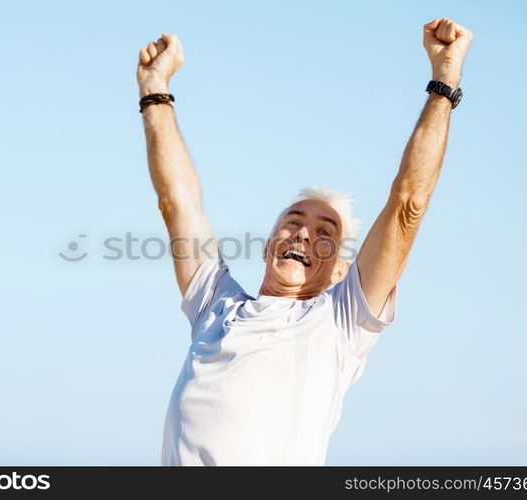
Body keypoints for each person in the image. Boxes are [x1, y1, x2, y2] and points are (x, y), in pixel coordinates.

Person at [136, 18, 474, 465]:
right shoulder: (214, 304)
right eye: (293, 221)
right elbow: (176, 202)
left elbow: (406, 207)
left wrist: (444, 81)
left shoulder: (340, 320)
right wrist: (154, 90)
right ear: (268, 243)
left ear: (340, 271)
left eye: (324, 234)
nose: (302, 233)